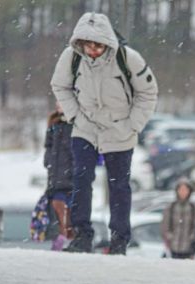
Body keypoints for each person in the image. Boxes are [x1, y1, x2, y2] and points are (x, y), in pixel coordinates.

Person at [50, 12, 158, 255]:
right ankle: (81, 235)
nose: (93, 50)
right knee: (81, 178)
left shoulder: (128, 58)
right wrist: (75, 116)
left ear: (107, 42)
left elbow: (149, 92)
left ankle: (119, 239)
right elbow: (59, 85)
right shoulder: (71, 58)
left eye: (98, 44)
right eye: (88, 44)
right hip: (85, 126)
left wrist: (133, 125)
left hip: (119, 129)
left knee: (119, 185)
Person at [44, 108, 75, 251]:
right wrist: (48, 162)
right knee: (56, 213)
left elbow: (72, 151)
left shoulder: (74, 124)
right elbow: (49, 148)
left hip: (70, 180)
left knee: (68, 214)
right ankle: (59, 240)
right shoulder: (53, 124)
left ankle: (67, 240)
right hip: (55, 180)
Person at [161, 178, 195, 259]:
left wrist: (193, 241)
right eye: (181, 189)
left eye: (185, 189)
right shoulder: (171, 207)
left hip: (188, 248)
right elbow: (165, 226)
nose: (183, 192)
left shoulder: (193, 208)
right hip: (173, 247)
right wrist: (168, 238)